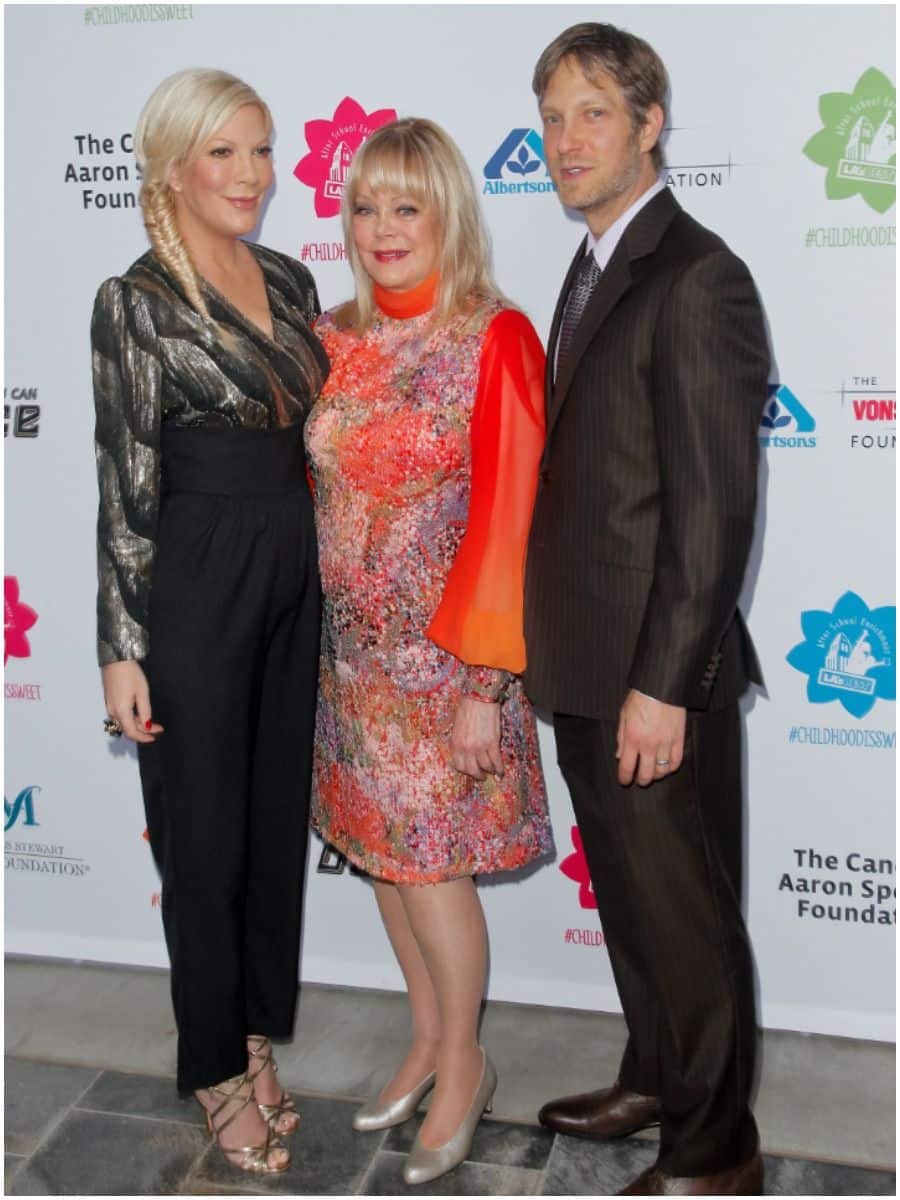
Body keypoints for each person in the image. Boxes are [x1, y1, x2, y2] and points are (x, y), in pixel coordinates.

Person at [523, 23, 769, 1198]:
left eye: (592, 115)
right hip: (581, 659)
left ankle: (717, 1149)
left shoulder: (698, 274)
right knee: (627, 899)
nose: (566, 142)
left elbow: (714, 513)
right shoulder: (591, 262)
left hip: (653, 675)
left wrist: (664, 683)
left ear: (649, 124)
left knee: (683, 916)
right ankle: (655, 1076)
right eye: (553, 118)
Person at [306, 117, 554, 1186]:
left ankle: (465, 1062)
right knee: (385, 865)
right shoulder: (329, 334)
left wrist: (482, 684)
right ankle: (422, 1034)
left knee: (434, 873)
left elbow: (511, 516)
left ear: (448, 210)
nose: (381, 228)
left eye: (406, 205)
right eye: (364, 206)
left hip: (446, 669)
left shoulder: (493, 335)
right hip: (348, 667)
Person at [92, 68, 328, 1175]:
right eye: (224, 153)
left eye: (263, 150)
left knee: (273, 827)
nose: (250, 175)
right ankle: (215, 1071)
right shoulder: (134, 300)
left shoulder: (287, 277)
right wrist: (119, 647)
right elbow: (126, 484)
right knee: (203, 844)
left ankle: (252, 1033)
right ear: (175, 165)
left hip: (295, 568)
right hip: (195, 580)